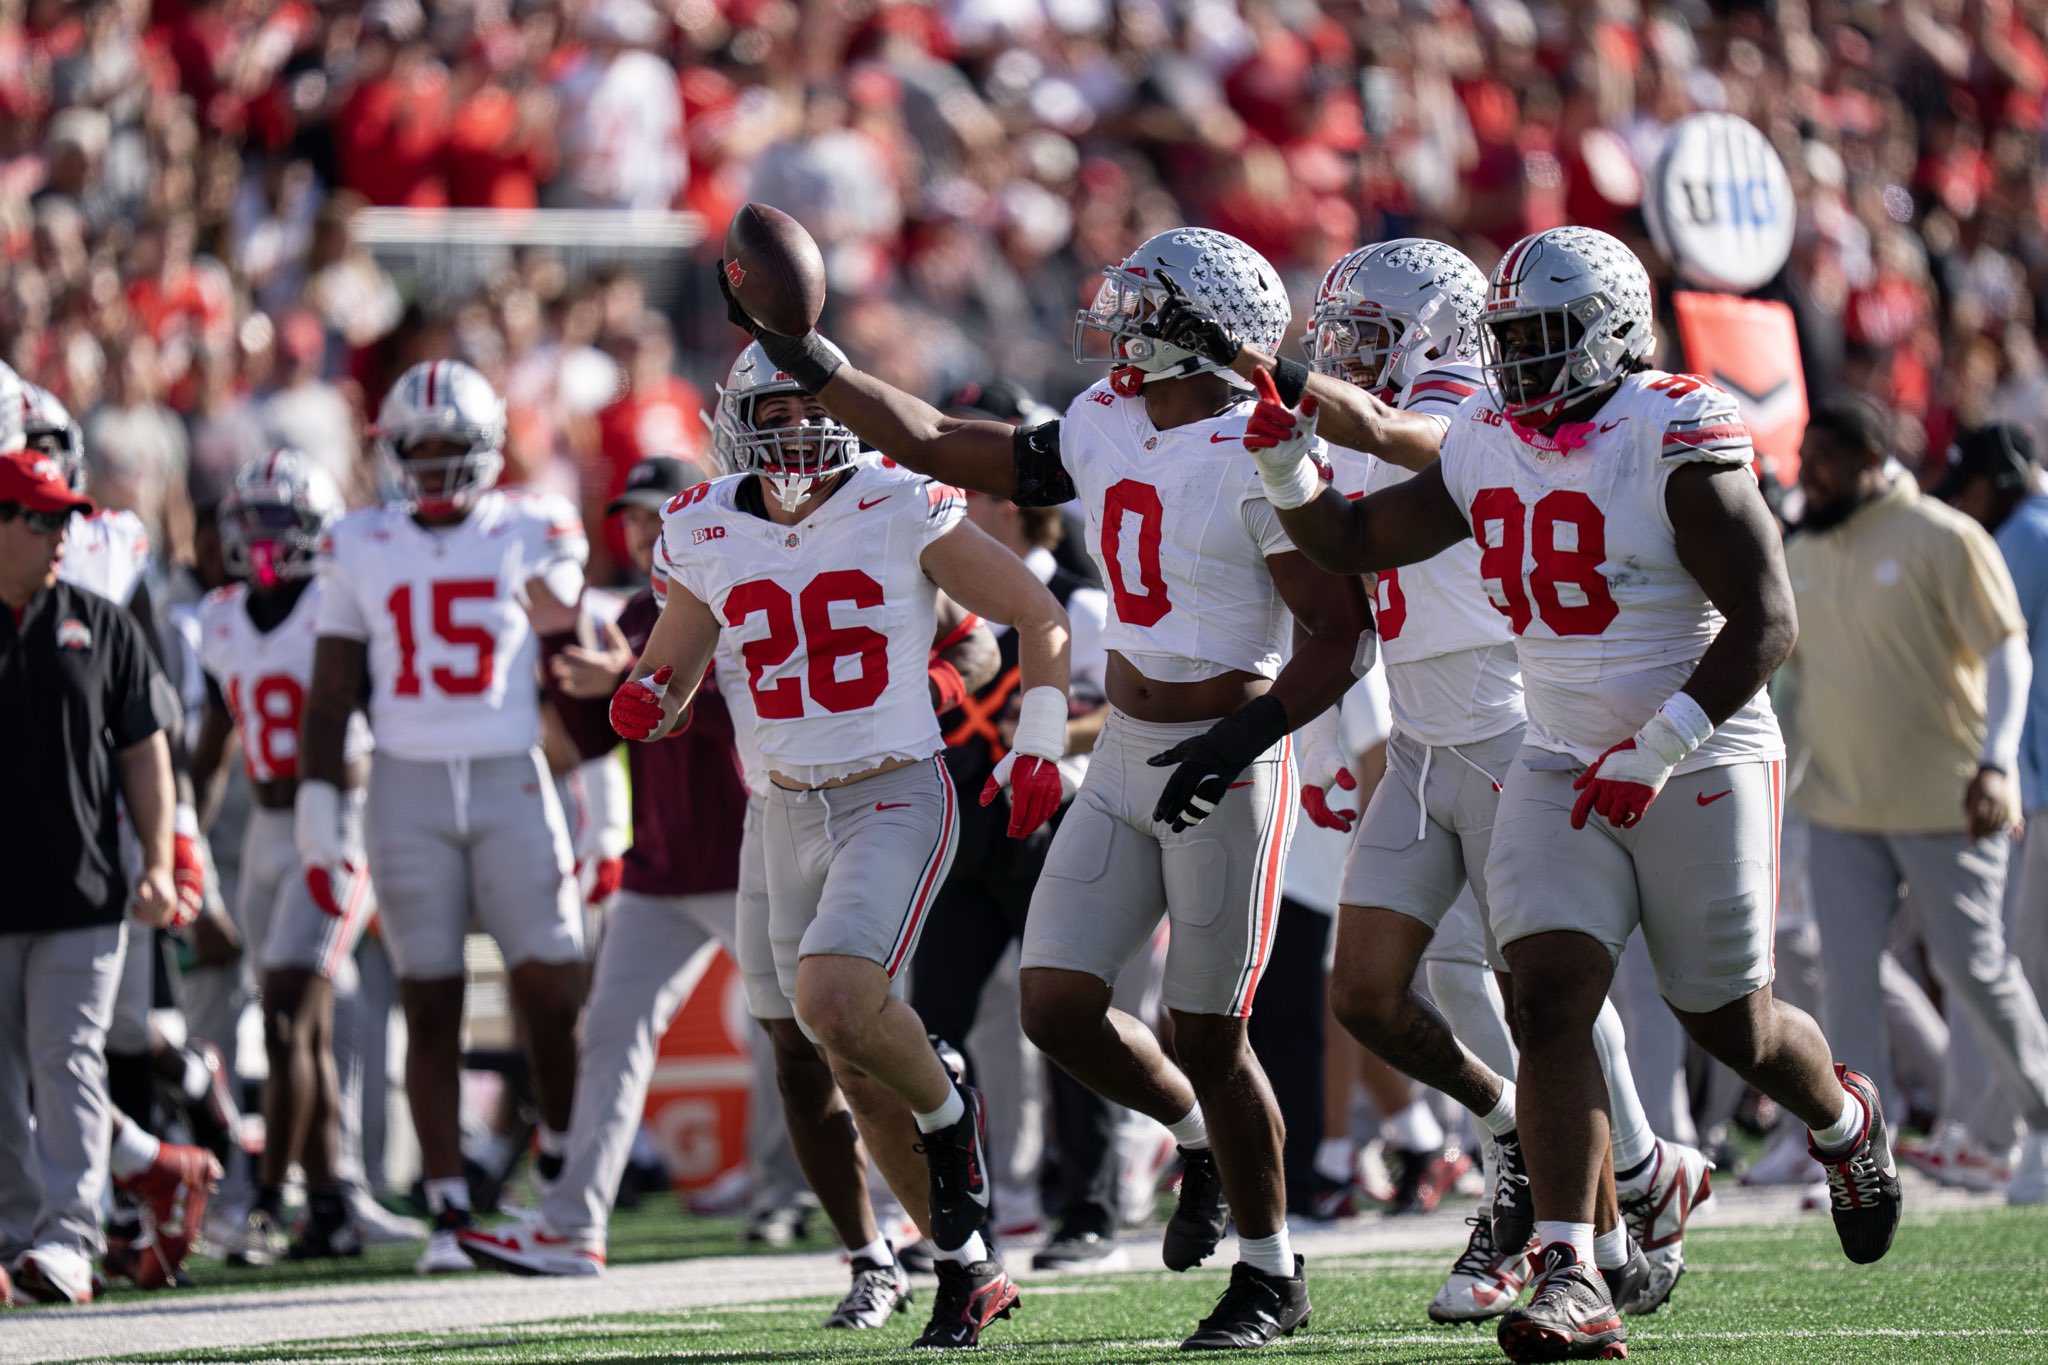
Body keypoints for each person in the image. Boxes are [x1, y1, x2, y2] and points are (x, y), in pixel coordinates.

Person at [1238, 226, 1899, 1363]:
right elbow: (1353, 541)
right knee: (1543, 996)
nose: (1519, 365)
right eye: (1506, 341)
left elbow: (1765, 621)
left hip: (1697, 747)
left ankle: (1842, 1122)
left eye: (1539, 339)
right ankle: (1569, 1271)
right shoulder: (1490, 434)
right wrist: (1282, 461)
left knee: (1723, 1018)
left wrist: (1657, 746)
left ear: (1606, 329)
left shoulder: (1671, 423)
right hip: (1550, 750)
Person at [726, 225, 1375, 1349]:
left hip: (1228, 755)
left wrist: (1248, 735)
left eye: (1140, 309)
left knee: (1211, 1029)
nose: (1114, 325)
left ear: (1196, 333)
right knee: (1055, 1005)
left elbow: (1340, 632)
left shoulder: (1260, 448)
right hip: (1122, 746)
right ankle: (1193, 1140)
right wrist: (810, 354)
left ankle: (1271, 1274)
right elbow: (936, 440)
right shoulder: (1109, 421)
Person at [1143, 237, 1705, 1318]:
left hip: (1508, 717)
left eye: (1371, 333)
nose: (1348, 350)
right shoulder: (1373, 401)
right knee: (1373, 990)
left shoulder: (1477, 404)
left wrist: (1296, 394)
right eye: (1340, 333)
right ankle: (1538, 1150)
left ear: (1442, 331)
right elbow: (1338, 577)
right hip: (1419, 726)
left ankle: (1620, 1183)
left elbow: (1406, 443)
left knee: (1537, 983)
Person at [462, 438, 1000, 1335]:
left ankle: (931, 1232)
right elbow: (610, 732)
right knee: (699, 1044)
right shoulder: (650, 603)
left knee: (847, 1040)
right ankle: (861, 1249)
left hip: (821, 819)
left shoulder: (838, 537)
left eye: (655, 512)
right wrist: (604, 677)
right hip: (688, 856)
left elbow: (957, 649)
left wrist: (930, 684)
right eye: (633, 519)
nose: (645, 532)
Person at [608, 344, 1073, 1349]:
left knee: (833, 1001)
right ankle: (964, 1264)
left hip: (893, 792)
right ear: (737, 425)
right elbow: (675, 662)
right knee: (829, 1053)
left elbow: (1032, 614)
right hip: (774, 808)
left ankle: (953, 1124)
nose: (790, 431)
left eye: (804, 407)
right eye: (768, 414)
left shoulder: (896, 500)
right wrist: (651, 695)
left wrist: (1036, 741)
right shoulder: (701, 522)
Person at [299, 359, 591, 1275]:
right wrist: (318, 801)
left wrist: (567, 612)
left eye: (447, 449)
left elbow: (570, 627)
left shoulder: (534, 522)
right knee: (430, 998)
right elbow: (334, 682)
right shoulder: (359, 540)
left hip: (509, 772)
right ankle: (448, 1207)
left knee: (552, 986)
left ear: (487, 451)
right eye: (414, 451)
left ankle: (559, 1161)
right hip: (406, 779)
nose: (429, 468)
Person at [1788, 399, 2048, 1204]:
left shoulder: (1945, 535)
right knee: (1846, 981)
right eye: (1806, 455)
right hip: (1838, 805)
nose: (1808, 472)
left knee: (1975, 969)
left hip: (1947, 799)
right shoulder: (1803, 549)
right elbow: (1793, 683)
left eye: (1824, 456)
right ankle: (1863, 1157)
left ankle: (2042, 1120)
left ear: (1873, 455)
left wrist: (1998, 761)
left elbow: (2008, 655)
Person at [0, 445, 219, 1305]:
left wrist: (160, 860)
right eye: (41, 518)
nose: (61, 535)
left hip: (84, 891)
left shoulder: (104, 623)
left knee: (68, 1063)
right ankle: (17, 1233)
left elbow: (146, 754)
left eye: (64, 518)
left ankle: (68, 1236)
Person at [190, 449, 417, 1261]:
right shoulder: (218, 618)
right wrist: (187, 848)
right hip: (263, 834)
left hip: (337, 823)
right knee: (303, 1030)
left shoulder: (335, 602)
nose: (260, 538)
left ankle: (262, 1203)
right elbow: (211, 750)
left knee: (286, 1010)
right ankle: (329, 1204)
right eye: (249, 520)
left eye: (279, 520)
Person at [1935, 423, 2048, 1178]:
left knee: (2017, 961)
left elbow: (1963, 647)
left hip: (2036, 778)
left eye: (1970, 484)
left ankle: (1997, 1135)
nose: (1963, 502)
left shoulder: (2023, 535)